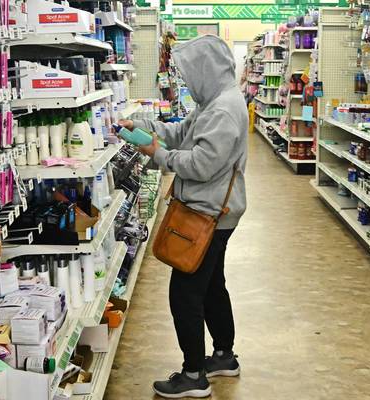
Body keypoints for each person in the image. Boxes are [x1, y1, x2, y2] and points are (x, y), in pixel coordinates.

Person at [118, 34, 249, 399]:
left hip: (208, 213)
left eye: (190, 73)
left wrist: (158, 153)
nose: (186, 80)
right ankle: (223, 356)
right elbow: (182, 133)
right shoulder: (213, 102)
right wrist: (144, 131)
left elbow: (200, 165)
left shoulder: (223, 109)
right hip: (214, 212)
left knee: (185, 292)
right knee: (210, 285)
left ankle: (193, 374)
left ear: (206, 70)